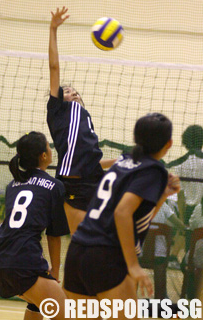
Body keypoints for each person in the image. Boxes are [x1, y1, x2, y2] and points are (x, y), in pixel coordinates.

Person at [63, 113, 180, 320]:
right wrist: (134, 265)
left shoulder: (124, 161)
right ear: (169, 143)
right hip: (105, 256)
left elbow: (136, 216)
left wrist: (162, 196)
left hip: (77, 252)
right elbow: (122, 212)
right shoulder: (154, 169)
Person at [47, 7, 116, 235]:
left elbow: (88, 157)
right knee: (81, 237)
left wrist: (118, 160)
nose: (73, 92)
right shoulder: (59, 111)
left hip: (93, 179)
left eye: (75, 91)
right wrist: (53, 29)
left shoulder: (86, 119)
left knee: (104, 231)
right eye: (67, 91)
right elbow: (54, 67)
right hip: (73, 183)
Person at [0, 132, 69, 320]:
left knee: (37, 305)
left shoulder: (13, 184)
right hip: (25, 263)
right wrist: (55, 272)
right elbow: (53, 235)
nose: (51, 150)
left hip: (2, 262)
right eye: (49, 147)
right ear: (44, 156)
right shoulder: (54, 186)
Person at [173, 125, 203, 253]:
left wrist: (181, 219)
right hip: (200, 208)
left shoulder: (180, 164)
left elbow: (180, 195)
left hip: (189, 211)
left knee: (189, 251)